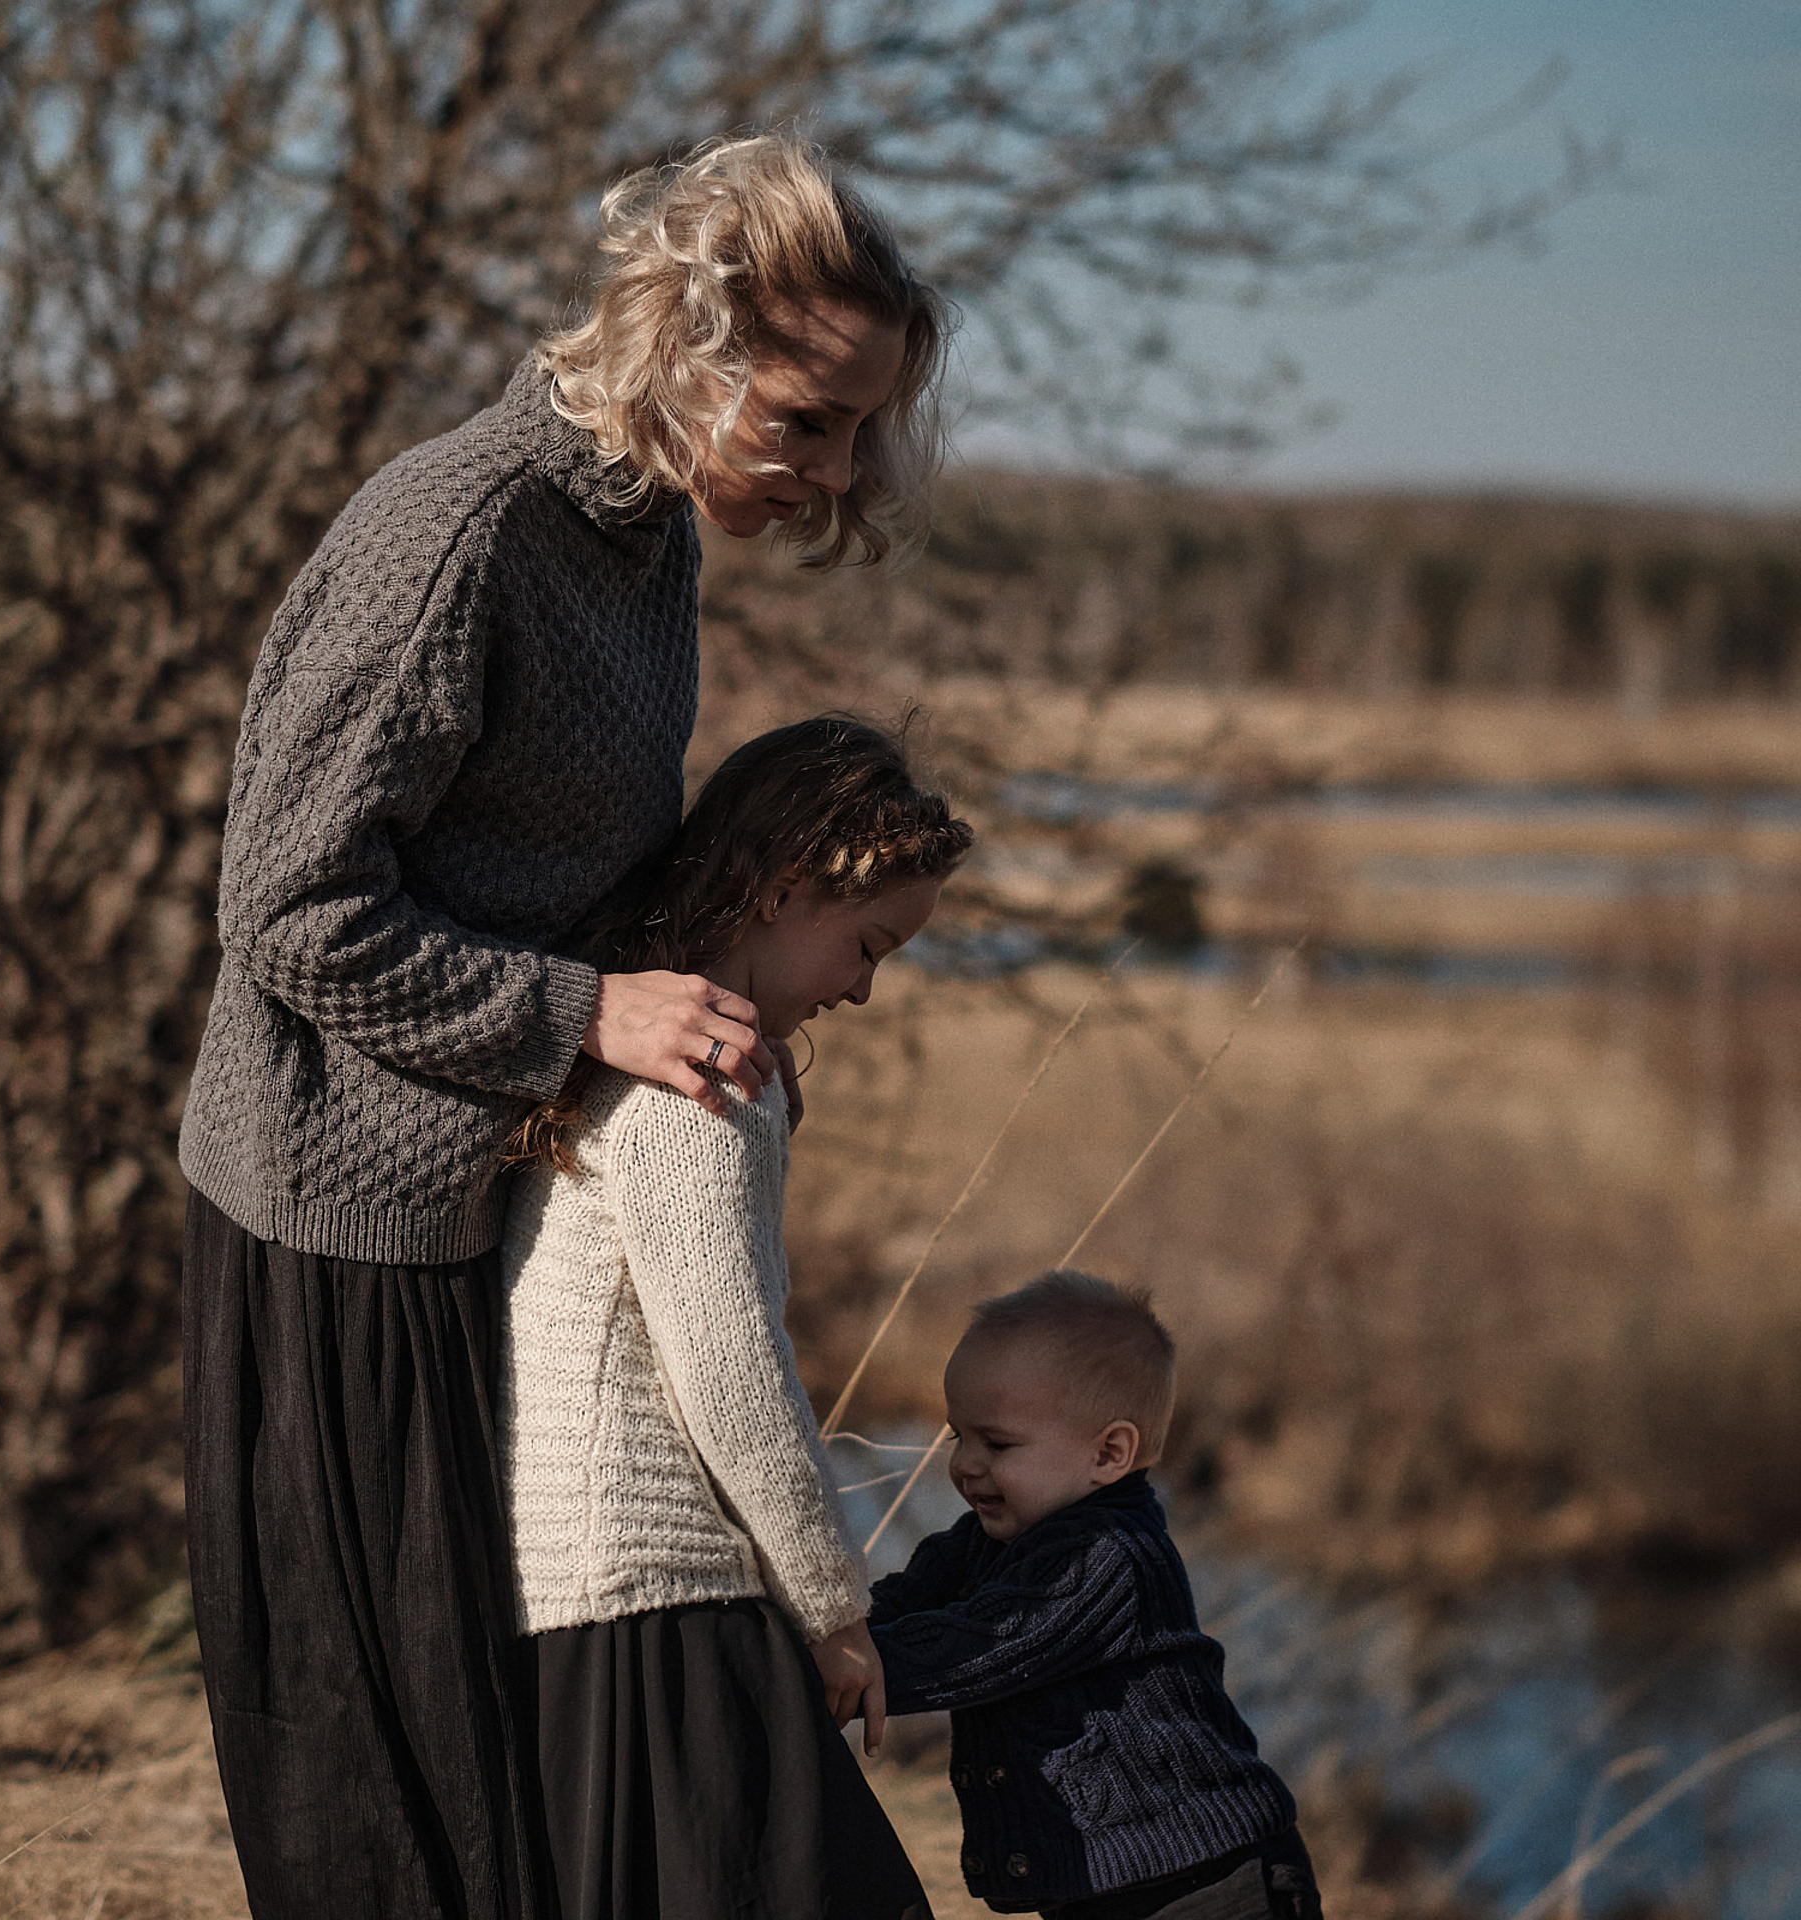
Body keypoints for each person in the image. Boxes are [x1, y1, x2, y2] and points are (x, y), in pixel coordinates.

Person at [177, 132, 950, 1920]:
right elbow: (287, 909)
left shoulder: (644, 550)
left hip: (462, 1203)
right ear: (685, 342)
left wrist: (711, 1033)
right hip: (325, 1222)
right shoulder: (462, 533)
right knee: (383, 1793)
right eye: (809, 418)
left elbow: (569, 874)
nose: (837, 472)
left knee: (493, 1780)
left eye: (861, 430)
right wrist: (587, 1010)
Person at [499, 716, 973, 1920]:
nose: (864, 989)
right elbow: (730, 1366)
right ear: (779, 891)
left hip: (583, 1596)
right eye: (867, 944)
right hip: (646, 1592)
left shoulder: (634, 1040)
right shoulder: (698, 1083)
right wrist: (832, 1609)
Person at [867, 1272, 1324, 1920]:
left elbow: (983, 1642)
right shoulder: (981, 1541)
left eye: (996, 1443)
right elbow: (892, 1609)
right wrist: (815, 1643)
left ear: (1109, 1453)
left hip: (1210, 1887)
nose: (964, 1464)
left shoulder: (1108, 1555)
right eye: (955, 1436)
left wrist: (863, 1667)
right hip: (1099, 1891)